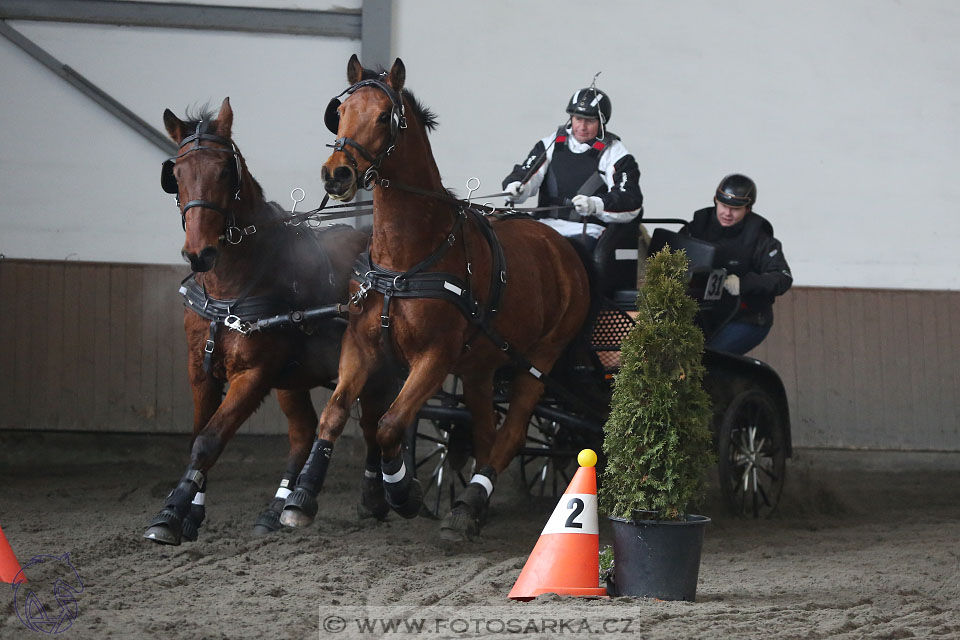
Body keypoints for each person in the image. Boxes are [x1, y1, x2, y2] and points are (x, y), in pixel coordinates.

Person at [501, 85, 643, 251]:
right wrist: (516, 187)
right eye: (578, 119)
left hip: (586, 230)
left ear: (601, 122)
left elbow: (629, 198)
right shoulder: (550, 144)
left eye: (590, 121)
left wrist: (595, 204)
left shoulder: (616, 154)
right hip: (543, 225)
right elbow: (527, 172)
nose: (582, 127)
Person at [682, 174, 793, 355]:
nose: (727, 213)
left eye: (735, 209)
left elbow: (782, 277)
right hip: (702, 314)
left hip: (746, 318)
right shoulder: (696, 227)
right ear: (715, 201)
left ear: (747, 209)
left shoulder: (760, 238)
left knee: (709, 359)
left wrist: (744, 283)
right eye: (723, 205)